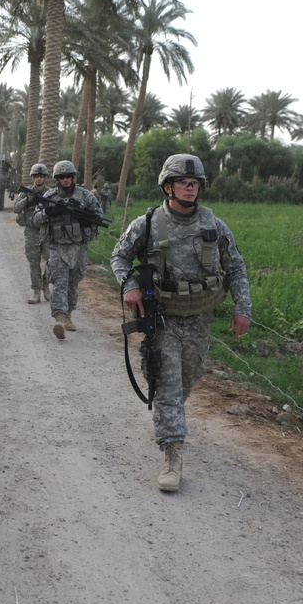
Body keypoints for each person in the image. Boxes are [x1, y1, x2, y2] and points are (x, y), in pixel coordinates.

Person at [110, 154, 252, 493]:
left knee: (188, 377)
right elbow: (119, 256)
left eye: (195, 184)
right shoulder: (147, 223)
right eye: (183, 183)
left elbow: (235, 267)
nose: (190, 188)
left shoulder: (213, 226)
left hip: (200, 318)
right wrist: (129, 286)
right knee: (168, 381)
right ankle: (173, 454)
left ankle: (167, 414)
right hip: (162, 318)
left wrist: (242, 308)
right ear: (167, 186)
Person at [32, 160, 105, 339]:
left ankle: (69, 315)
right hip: (57, 247)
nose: (65, 180)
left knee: (73, 284)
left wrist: (85, 219)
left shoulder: (85, 196)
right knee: (59, 283)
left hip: (78, 247)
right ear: (57, 179)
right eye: (61, 177)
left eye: (68, 176)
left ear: (73, 177)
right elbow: (35, 219)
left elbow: (99, 216)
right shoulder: (49, 196)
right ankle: (59, 319)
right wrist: (47, 213)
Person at [13, 163, 52, 304]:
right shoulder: (26, 192)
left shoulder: (51, 193)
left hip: (47, 232)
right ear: (32, 178)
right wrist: (28, 199)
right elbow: (16, 209)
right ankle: (36, 292)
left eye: (41, 176)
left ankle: (45, 283)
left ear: (45, 177)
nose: (39, 179)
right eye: (36, 176)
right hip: (31, 232)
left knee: (52, 261)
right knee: (34, 263)